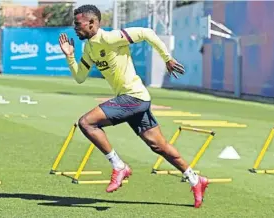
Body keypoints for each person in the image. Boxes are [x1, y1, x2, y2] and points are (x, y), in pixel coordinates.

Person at [59, 5, 209, 208]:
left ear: (92, 23)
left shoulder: (110, 38)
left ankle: (119, 165)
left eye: (78, 24)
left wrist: (167, 58)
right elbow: (79, 77)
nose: (75, 28)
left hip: (134, 97)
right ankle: (195, 179)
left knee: (87, 123)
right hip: (133, 100)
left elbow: (147, 33)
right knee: (159, 146)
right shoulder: (89, 48)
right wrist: (69, 55)